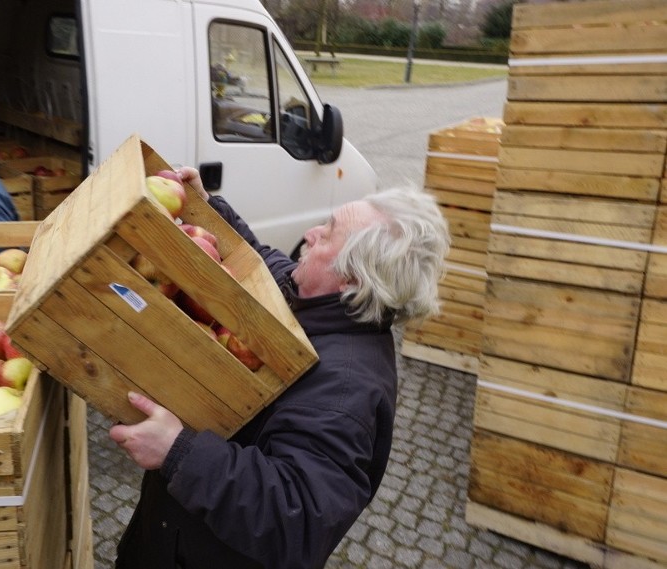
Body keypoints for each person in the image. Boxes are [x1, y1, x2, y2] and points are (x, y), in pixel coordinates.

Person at [110, 167, 450, 569]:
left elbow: (298, 517)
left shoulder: (345, 391)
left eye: (328, 233)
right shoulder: (311, 299)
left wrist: (178, 452)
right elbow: (258, 259)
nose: (311, 233)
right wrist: (209, 207)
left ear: (352, 280)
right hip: (168, 540)